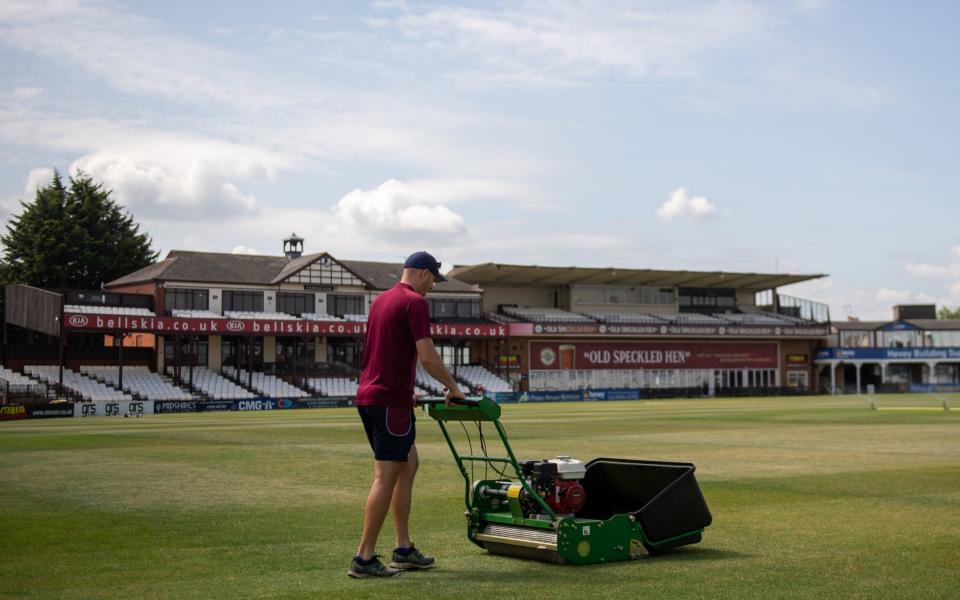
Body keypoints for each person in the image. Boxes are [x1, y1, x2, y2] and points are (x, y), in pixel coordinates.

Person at [348, 251, 466, 579]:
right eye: (433, 281)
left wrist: (404, 388)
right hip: (389, 402)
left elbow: (382, 351)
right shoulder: (414, 302)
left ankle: (402, 549)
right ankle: (364, 557)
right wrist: (454, 388)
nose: (431, 288)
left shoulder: (381, 301)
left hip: (374, 395)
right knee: (385, 476)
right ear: (424, 274)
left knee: (409, 464)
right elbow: (427, 356)